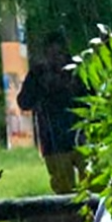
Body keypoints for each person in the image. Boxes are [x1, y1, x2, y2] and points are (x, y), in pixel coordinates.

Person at [17, 32, 84, 194]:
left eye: (59, 54)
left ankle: (92, 216)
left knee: (94, 186)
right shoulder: (39, 74)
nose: (56, 59)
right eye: (52, 54)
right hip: (55, 141)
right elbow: (24, 102)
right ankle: (71, 219)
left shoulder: (77, 70)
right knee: (64, 191)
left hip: (79, 137)